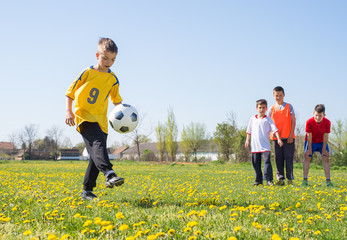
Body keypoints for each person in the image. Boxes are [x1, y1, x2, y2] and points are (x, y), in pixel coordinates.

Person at [65, 38, 124, 200]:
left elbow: (117, 101)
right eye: (105, 58)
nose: (108, 62)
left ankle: (87, 191)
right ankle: (109, 173)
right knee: (98, 146)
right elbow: (70, 92)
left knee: (95, 155)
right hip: (84, 116)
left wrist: (123, 115)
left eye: (113, 59)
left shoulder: (113, 79)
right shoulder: (87, 73)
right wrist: (68, 111)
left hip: (101, 120)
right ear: (97, 55)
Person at [245, 99, 283, 186]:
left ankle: (269, 180)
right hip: (255, 146)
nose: (261, 109)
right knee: (256, 164)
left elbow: (275, 129)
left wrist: (279, 139)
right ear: (256, 108)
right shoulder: (252, 119)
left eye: (263, 108)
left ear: (266, 109)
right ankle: (258, 181)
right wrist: (247, 140)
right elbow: (249, 131)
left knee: (267, 163)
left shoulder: (268, 119)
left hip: (265, 146)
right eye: (260, 107)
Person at [268, 86, 296, 186]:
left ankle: (290, 179)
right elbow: (268, 123)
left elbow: (293, 121)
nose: (278, 97)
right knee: (278, 158)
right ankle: (280, 179)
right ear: (273, 96)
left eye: (280, 95)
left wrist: (290, 135)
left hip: (288, 137)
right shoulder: (271, 109)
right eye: (276, 96)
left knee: (288, 158)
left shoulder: (289, 106)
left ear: (284, 95)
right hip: (276, 138)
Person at [302, 104, 333, 187]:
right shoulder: (309, 121)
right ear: (313, 113)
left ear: (324, 115)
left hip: (322, 141)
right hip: (310, 141)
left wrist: (324, 149)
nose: (318, 117)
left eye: (320, 116)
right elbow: (309, 135)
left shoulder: (327, 122)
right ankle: (305, 180)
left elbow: (326, 136)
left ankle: (328, 181)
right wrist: (309, 149)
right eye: (316, 115)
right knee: (307, 157)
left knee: (326, 158)